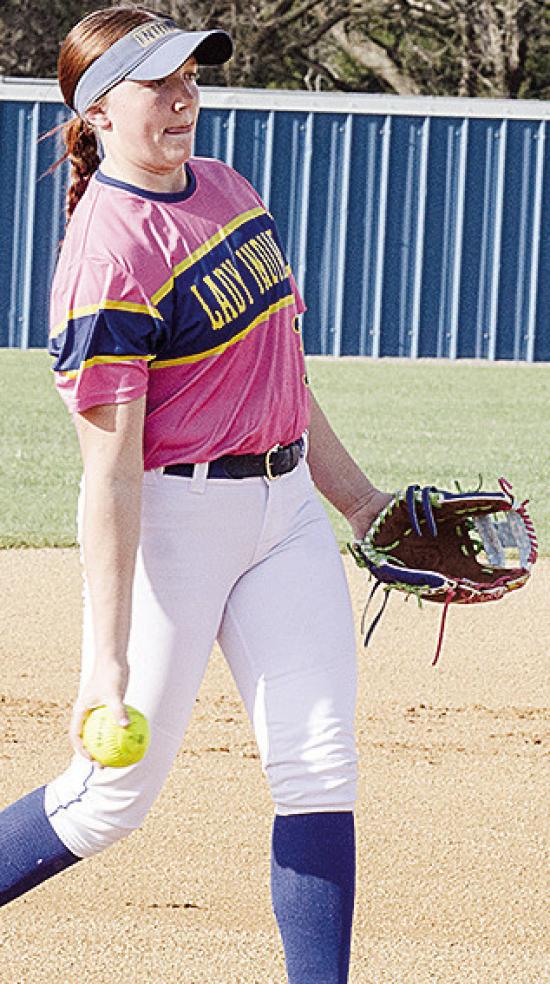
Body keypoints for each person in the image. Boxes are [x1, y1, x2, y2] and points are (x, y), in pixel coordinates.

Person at [0, 7, 390, 981]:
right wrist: (103, 661)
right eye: (156, 83)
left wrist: (361, 504)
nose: (184, 98)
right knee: (107, 800)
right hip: (179, 522)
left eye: (191, 77)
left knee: (318, 769)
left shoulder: (227, 187)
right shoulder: (108, 256)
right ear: (94, 113)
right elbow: (109, 473)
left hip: (286, 510)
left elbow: (284, 378)